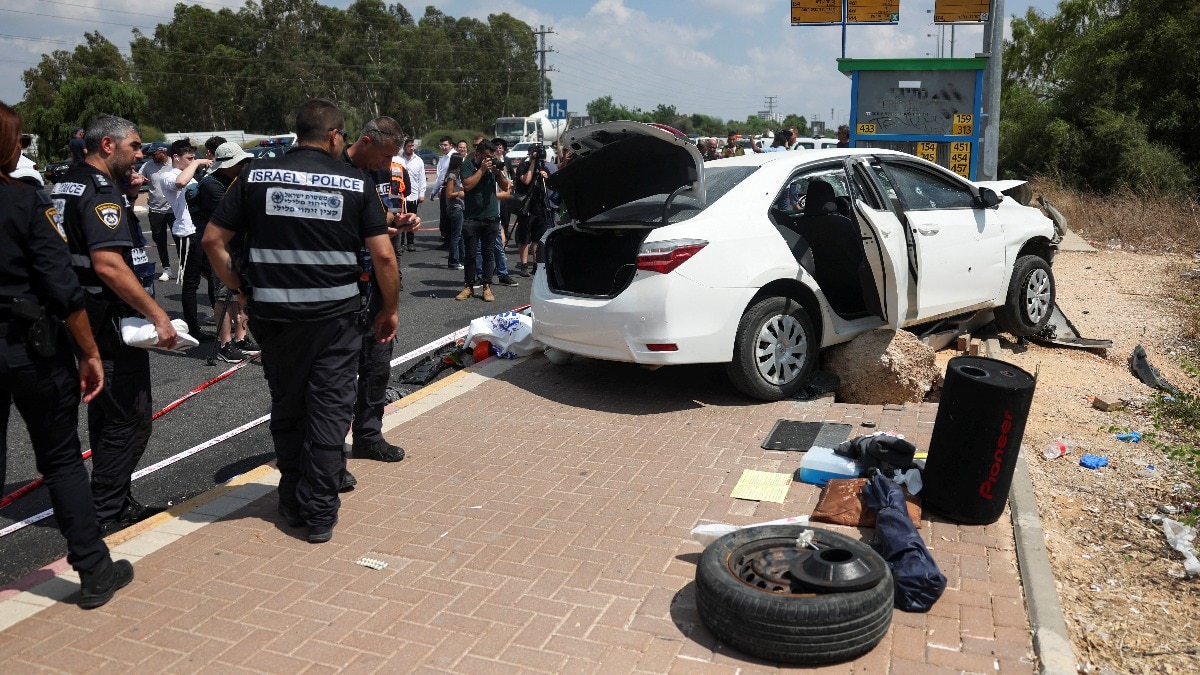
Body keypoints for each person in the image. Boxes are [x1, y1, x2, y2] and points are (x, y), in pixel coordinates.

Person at [203, 99, 399, 544]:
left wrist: (239, 288)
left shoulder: (255, 175)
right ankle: (319, 513)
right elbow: (383, 254)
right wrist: (390, 308)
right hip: (335, 320)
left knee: (289, 407)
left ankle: (291, 499)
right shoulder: (353, 182)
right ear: (334, 136)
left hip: (273, 317)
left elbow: (213, 240)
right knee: (329, 412)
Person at [0, 102, 133, 609]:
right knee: (60, 460)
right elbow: (63, 287)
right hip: (29, 346)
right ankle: (94, 570)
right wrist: (90, 352)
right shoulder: (24, 201)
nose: (20, 148)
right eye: (15, 139)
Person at [55, 114, 177, 535]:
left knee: (107, 418)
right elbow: (108, 265)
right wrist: (158, 315)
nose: (140, 155)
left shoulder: (67, 183)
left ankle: (115, 499)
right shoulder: (100, 191)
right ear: (108, 145)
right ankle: (105, 514)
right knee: (131, 419)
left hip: (81, 320)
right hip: (105, 323)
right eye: (135, 147)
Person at [339, 116, 416, 468]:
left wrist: (394, 222)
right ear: (365, 141)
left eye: (391, 160)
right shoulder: (335, 171)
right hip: (340, 287)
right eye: (384, 158)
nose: (387, 166)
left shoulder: (380, 172)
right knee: (336, 375)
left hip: (375, 286)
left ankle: (369, 436)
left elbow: (378, 216)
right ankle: (330, 453)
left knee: (377, 366)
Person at [194, 141, 256, 363]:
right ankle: (225, 343)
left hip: (239, 246)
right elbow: (231, 215)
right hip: (221, 248)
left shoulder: (234, 180)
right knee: (224, 296)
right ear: (226, 164)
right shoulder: (212, 185)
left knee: (241, 293)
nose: (243, 165)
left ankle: (241, 337)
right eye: (239, 162)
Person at [154, 140, 215, 341]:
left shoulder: (192, 175)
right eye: (189, 158)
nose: (192, 161)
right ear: (176, 157)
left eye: (193, 158)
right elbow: (180, 183)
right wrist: (196, 164)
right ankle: (193, 327)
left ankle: (222, 318)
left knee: (215, 277)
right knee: (191, 282)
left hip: (202, 231)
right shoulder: (168, 176)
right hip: (187, 233)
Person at [455, 140, 509, 303]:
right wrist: (483, 169)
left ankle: (487, 286)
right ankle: (469, 286)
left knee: (488, 254)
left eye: (491, 157)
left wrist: (497, 173)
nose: (489, 159)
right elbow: (467, 185)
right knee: (470, 255)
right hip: (472, 218)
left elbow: (506, 187)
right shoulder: (467, 166)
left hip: (491, 217)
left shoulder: (493, 168)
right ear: (478, 154)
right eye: (486, 156)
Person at [513, 142, 555, 277]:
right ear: (530, 154)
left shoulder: (544, 167)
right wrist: (533, 163)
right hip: (526, 206)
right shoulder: (523, 166)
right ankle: (524, 266)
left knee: (538, 238)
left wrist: (546, 176)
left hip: (540, 206)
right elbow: (526, 180)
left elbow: (550, 185)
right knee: (524, 237)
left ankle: (536, 264)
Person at [139, 143, 174, 281]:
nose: (152, 157)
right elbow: (137, 175)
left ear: (163, 152)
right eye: (150, 155)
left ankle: (184, 267)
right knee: (159, 241)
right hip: (155, 210)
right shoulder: (148, 166)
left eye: (154, 154)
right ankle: (167, 269)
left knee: (180, 240)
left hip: (173, 210)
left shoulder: (174, 164)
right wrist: (139, 178)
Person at [397, 137, 425, 251]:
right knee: (401, 219)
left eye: (413, 145)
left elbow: (422, 178)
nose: (412, 148)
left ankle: (410, 242)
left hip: (413, 196)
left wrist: (421, 193)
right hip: (400, 196)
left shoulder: (418, 160)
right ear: (404, 147)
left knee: (412, 220)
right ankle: (401, 242)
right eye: (409, 146)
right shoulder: (398, 160)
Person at [430, 135, 454, 249]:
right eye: (441, 145)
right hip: (443, 188)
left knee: (449, 215)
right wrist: (437, 190)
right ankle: (447, 239)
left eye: (445, 145)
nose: (443, 147)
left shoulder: (453, 156)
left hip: (451, 187)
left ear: (451, 145)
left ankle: (450, 241)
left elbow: (445, 176)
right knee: (444, 214)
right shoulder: (443, 158)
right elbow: (439, 176)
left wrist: (436, 190)